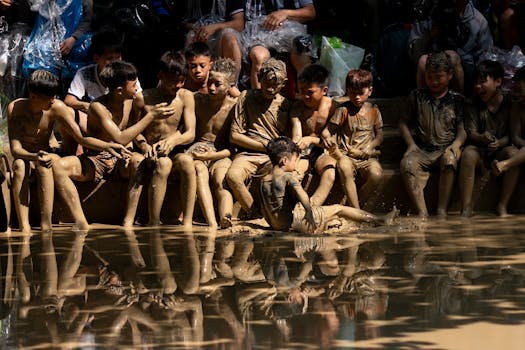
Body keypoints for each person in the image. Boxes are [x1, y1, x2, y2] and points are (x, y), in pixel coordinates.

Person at [52, 61, 175, 230]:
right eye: (133, 85)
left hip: (121, 159)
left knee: (137, 161)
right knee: (59, 166)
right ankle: (81, 221)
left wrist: (145, 144)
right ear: (119, 90)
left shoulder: (133, 101)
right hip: (95, 159)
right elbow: (120, 137)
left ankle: (128, 221)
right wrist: (151, 116)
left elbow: (134, 131)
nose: (137, 88)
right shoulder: (98, 107)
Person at [7, 69, 128, 232]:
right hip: (25, 155)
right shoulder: (15, 108)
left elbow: (81, 138)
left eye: (54, 96)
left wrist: (108, 146)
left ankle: (46, 225)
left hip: (43, 156)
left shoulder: (57, 107)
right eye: (49, 97)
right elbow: (15, 149)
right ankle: (24, 227)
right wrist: (34, 156)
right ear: (34, 96)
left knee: (47, 163)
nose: (54, 100)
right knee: (20, 165)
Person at [260, 136, 397, 233]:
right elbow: (302, 196)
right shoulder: (288, 177)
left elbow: (264, 208)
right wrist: (309, 213)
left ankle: (331, 222)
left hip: (277, 225)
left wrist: (273, 224)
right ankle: (380, 220)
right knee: (338, 209)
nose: (296, 164)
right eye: (295, 160)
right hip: (296, 224)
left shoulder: (264, 180)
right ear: (284, 160)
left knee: (327, 213)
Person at [124, 51, 196, 228]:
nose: (178, 85)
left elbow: (190, 133)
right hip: (150, 151)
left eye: (182, 81)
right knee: (162, 164)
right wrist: (144, 147)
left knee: (187, 162)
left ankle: (187, 221)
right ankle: (154, 220)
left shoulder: (185, 96)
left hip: (175, 151)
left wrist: (172, 142)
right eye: (173, 81)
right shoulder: (143, 98)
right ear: (161, 76)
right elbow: (135, 131)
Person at [399, 51, 466, 218]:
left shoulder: (457, 100)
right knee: (407, 164)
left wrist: (456, 145)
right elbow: (403, 123)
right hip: (422, 149)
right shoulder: (416, 96)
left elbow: (462, 129)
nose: (434, 82)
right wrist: (411, 144)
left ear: (450, 75)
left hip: (445, 147)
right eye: (429, 77)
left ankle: (442, 209)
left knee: (449, 160)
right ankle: (422, 212)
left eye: (439, 77)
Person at [226, 58, 294, 215]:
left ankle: (276, 215)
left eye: (275, 85)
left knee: (277, 179)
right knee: (233, 176)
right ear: (259, 78)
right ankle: (254, 213)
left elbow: (289, 141)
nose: (270, 89)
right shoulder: (246, 97)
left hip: (272, 157)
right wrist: (266, 146)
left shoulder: (286, 106)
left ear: (283, 85)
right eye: (267, 83)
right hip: (247, 154)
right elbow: (235, 135)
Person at [62, 29, 145, 156]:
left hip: (120, 122)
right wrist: (89, 107)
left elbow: (138, 100)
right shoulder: (85, 74)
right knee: (65, 113)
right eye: (110, 58)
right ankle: (76, 154)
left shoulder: (127, 76)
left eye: (118, 57)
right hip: (94, 123)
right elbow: (68, 101)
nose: (116, 62)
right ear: (96, 58)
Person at [458, 60, 518, 217]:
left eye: (482, 82)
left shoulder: (509, 103)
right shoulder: (472, 102)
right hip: (479, 148)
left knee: (513, 154)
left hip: (502, 149)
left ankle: (502, 206)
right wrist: (482, 138)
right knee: (468, 154)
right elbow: (470, 132)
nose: (478, 87)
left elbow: (512, 134)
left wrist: (500, 143)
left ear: (498, 81)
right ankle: (466, 208)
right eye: (475, 83)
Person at [322, 69, 383, 210]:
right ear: (347, 91)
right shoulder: (343, 111)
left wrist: (369, 147)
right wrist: (326, 138)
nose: (356, 97)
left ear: (370, 91)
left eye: (360, 93)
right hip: (346, 155)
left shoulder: (373, 110)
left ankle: (357, 205)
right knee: (344, 167)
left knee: (376, 174)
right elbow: (327, 131)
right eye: (352, 93)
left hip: (367, 157)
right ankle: (356, 210)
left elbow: (380, 135)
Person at [189, 58, 238, 229]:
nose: (211, 88)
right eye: (210, 82)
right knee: (200, 171)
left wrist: (212, 155)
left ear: (231, 85)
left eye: (218, 84)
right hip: (198, 150)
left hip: (222, 153)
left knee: (220, 179)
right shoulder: (196, 101)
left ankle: (226, 216)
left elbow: (233, 148)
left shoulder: (234, 108)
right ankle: (211, 222)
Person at [408, 0, 493, 93]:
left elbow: (485, 58)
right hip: (431, 70)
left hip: (464, 73)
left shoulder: (478, 21)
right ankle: (424, 105)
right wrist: (429, 36)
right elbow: (413, 55)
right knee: (423, 61)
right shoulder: (428, 16)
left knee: (452, 57)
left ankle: (458, 103)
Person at [290, 63, 337, 206]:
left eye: (310, 92)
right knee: (294, 173)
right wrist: (298, 144)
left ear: (324, 90)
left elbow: (333, 141)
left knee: (329, 173)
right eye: (301, 91)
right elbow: (297, 135)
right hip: (303, 151)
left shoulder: (333, 108)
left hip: (325, 151)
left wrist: (310, 139)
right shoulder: (297, 108)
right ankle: (293, 207)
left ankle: (313, 208)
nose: (305, 96)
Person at [243, 0, 316, 89]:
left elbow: (310, 12)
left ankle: (309, 95)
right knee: (259, 56)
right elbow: (248, 21)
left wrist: (286, 13)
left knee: (301, 51)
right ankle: (257, 99)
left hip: (291, 34)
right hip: (260, 37)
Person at [183, 0, 245, 82]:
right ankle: (194, 84)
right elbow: (182, 21)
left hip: (222, 35)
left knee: (229, 37)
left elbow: (239, 23)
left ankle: (231, 84)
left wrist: (215, 27)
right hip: (199, 34)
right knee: (190, 37)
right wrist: (198, 28)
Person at [492, 67, 525, 175]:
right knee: (511, 152)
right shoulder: (517, 107)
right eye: (515, 89)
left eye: (519, 90)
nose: (516, 94)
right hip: (522, 150)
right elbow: (515, 137)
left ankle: (505, 165)